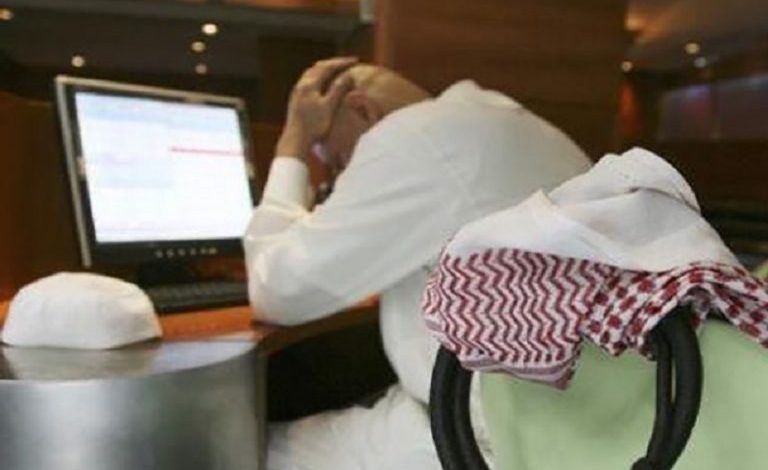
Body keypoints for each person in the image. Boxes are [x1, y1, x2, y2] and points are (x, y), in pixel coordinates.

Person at [243, 56, 592, 470]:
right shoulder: (532, 130)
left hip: (477, 439)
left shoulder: (410, 137)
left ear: (362, 109)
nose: (343, 176)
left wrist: (294, 142)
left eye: (338, 160)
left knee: (241, 450)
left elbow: (275, 291)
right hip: (572, 425)